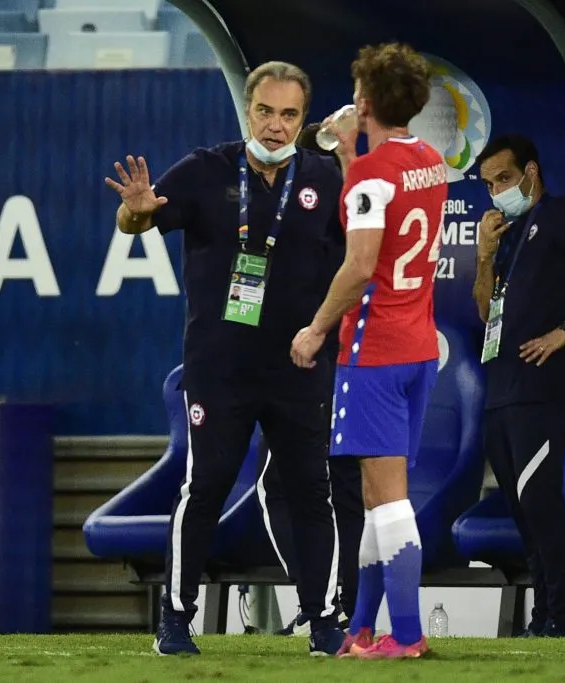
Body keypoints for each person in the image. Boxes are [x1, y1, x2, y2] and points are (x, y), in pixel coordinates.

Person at [104, 60, 347, 657]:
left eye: (289, 114)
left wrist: (324, 334)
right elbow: (134, 221)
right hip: (220, 366)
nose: (274, 126)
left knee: (312, 492)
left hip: (301, 366)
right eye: (265, 112)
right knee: (205, 484)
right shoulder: (204, 169)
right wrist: (134, 209)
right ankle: (175, 620)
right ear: (248, 109)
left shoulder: (325, 176)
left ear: (302, 118)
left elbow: (349, 266)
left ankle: (323, 622)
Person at [291, 41, 446, 660]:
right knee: (376, 495)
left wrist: (315, 329)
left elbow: (358, 267)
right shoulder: (430, 160)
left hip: (372, 350)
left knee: (389, 498)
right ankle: (362, 627)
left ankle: (405, 635)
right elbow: (388, 197)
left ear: (363, 100)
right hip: (418, 349)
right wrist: (354, 150)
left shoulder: (368, 177)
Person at [471, 133, 565, 638]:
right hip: (500, 388)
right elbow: (484, 313)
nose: (498, 191)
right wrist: (483, 256)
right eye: (489, 184)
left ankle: (558, 619)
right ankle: (542, 618)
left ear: (530, 172)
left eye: (505, 179)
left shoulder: (559, 213)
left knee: (541, 504)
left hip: (540, 389)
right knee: (522, 511)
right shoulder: (509, 237)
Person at [254, 121, 365, 637]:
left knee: (324, 484)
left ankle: (332, 602)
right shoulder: (287, 219)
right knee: (290, 484)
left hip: (333, 359)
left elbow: (359, 268)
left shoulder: (345, 213)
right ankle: (323, 599)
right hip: (298, 364)